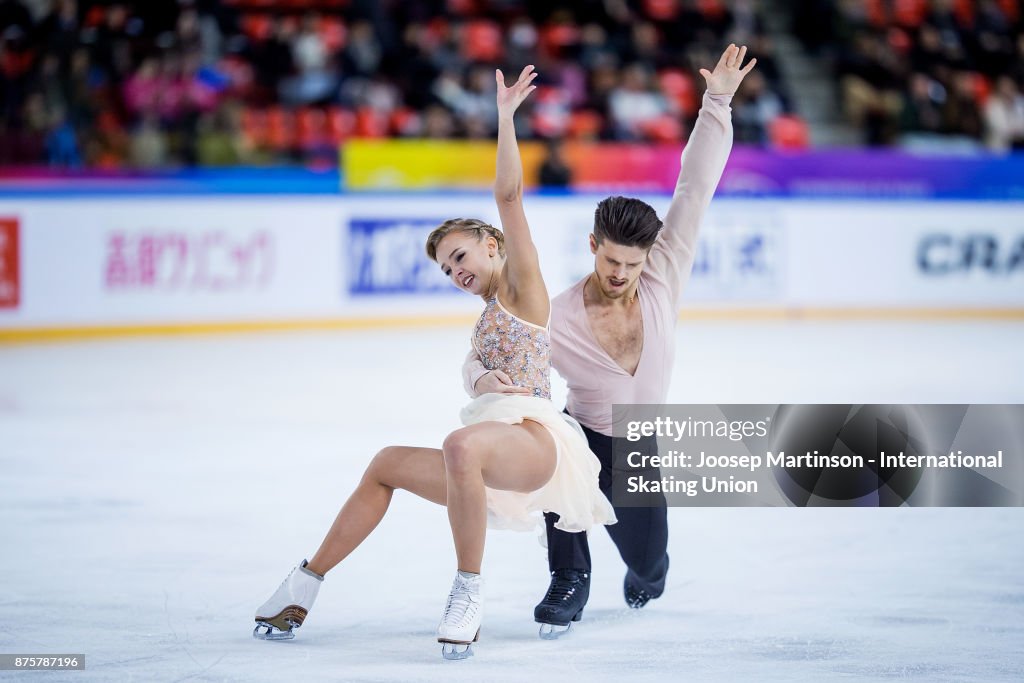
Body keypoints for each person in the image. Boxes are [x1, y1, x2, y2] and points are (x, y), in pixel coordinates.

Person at [252, 65, 615, 660]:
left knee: (459, 445)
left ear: (492, 245)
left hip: (533, 444)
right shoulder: (485, 317)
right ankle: (304, 583)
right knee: (385, 463)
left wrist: (503, 118)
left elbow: (508, 196)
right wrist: (478, 374)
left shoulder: (524, 290)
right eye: (446, 268)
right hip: (486, 452)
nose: (455, 271)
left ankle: (467, 593)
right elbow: (473, 372)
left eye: (460, 255)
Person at [463, 44, 755, 637]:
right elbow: (487, 348)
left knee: (649, 562)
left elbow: (694, 189)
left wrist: (717, 101)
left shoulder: (663, 276)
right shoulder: (559, 312)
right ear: (593, 246)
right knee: (554, 456)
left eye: (632, 262)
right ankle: (568, 580)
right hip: (582, 434)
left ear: (648, 257)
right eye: (612, 259)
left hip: (640, 447)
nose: (621, 273)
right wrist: (480, 378)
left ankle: (645, 572)